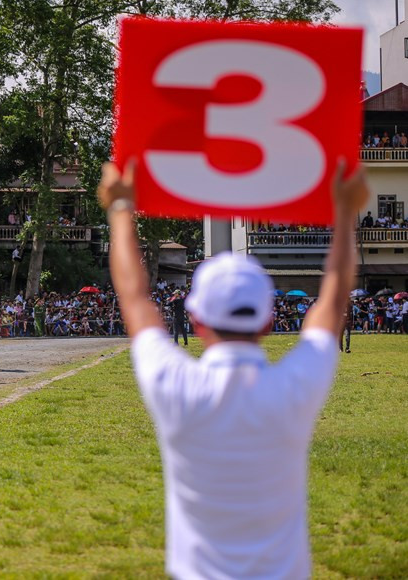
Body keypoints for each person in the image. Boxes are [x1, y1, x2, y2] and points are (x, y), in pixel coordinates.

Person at [97, 156, 367, 579]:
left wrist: (120, 209)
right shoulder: (293, 386)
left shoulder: (176, 384)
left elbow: (134, 297)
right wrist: (346, 213)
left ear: (198, 320)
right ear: (268, 322)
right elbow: (331, 304)